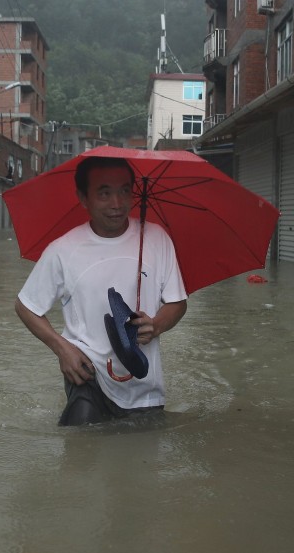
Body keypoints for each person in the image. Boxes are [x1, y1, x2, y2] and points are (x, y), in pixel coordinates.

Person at [15, 156, 188, 426]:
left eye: (123, 191)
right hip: (87, 373)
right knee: (79, 439)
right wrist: (62, 349)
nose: (117, 204)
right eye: (104, 193)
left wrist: (155, 325)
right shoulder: (63, 250)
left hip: (143, 383)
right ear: (83, 198)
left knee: (141, 461)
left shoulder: (156, 239)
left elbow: (177, 303)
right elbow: (26, 306)